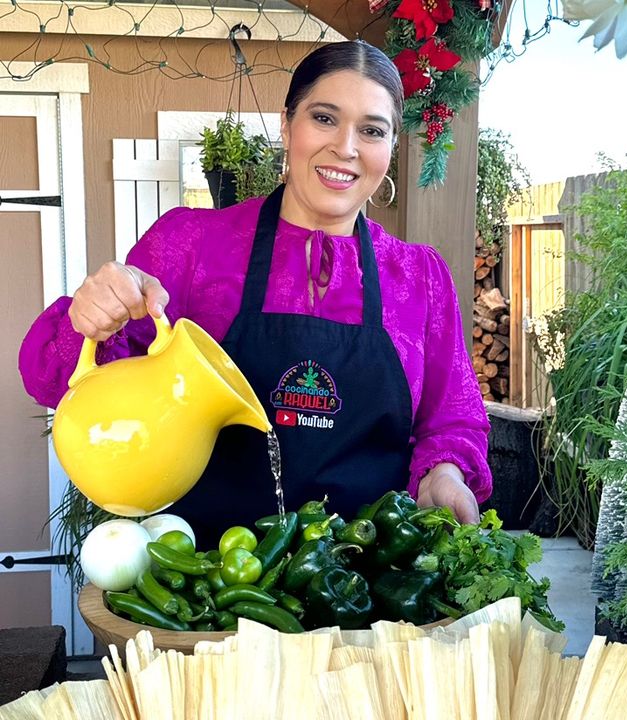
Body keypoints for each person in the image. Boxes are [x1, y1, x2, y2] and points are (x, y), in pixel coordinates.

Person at [19, 40, 492, 549]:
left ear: (390, 149)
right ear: (287, 126)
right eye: (325, 118)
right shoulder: (193, 245)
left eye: (372, 130)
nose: (347, 148)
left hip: (365, 592)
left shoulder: (419, 277)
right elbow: (53, 379)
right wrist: (94, 316)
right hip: (212, 588)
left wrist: (444, 474)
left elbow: (452, 419)